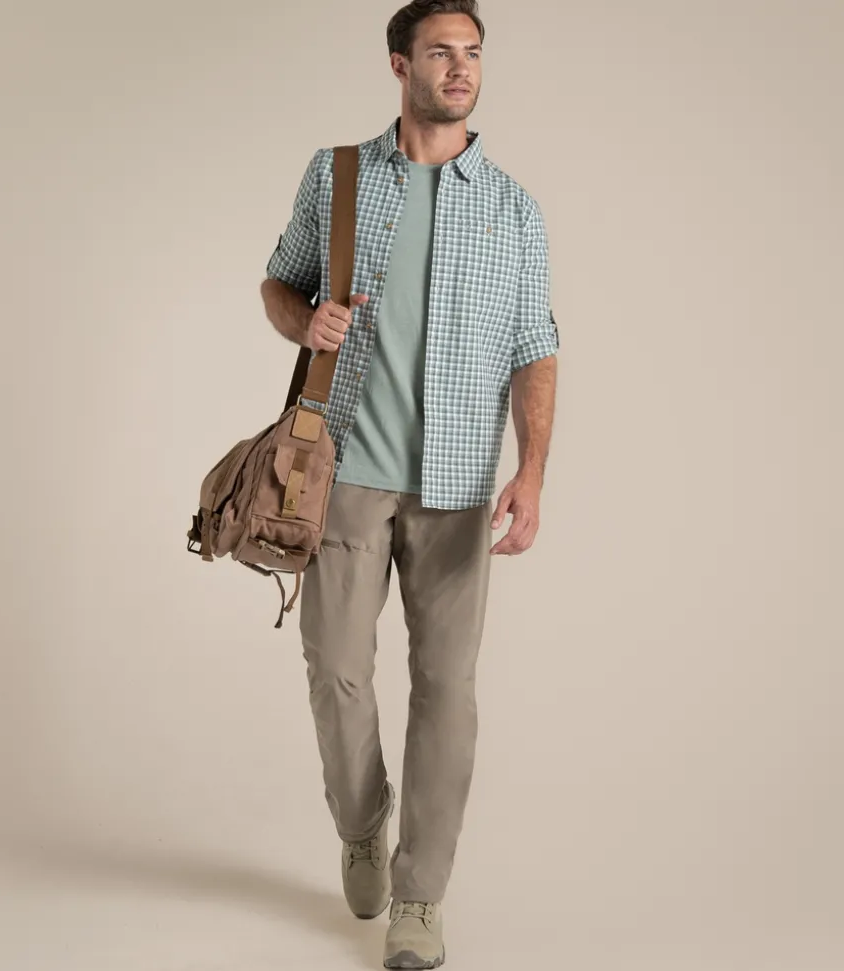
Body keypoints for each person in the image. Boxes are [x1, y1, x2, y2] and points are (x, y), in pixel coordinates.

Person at [260, 1, 558, 966]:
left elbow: (536, 347)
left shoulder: (512, 206)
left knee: (447, 691)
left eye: (472, 53)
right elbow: (278, 283)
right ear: (400, 65)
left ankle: (420, 896)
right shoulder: (339, 174)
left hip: (460, 487)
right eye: (441, 52)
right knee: (336, 669)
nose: (461, 67)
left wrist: (532, 471)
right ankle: (362, 825)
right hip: (342, 469)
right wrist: (304, 320)